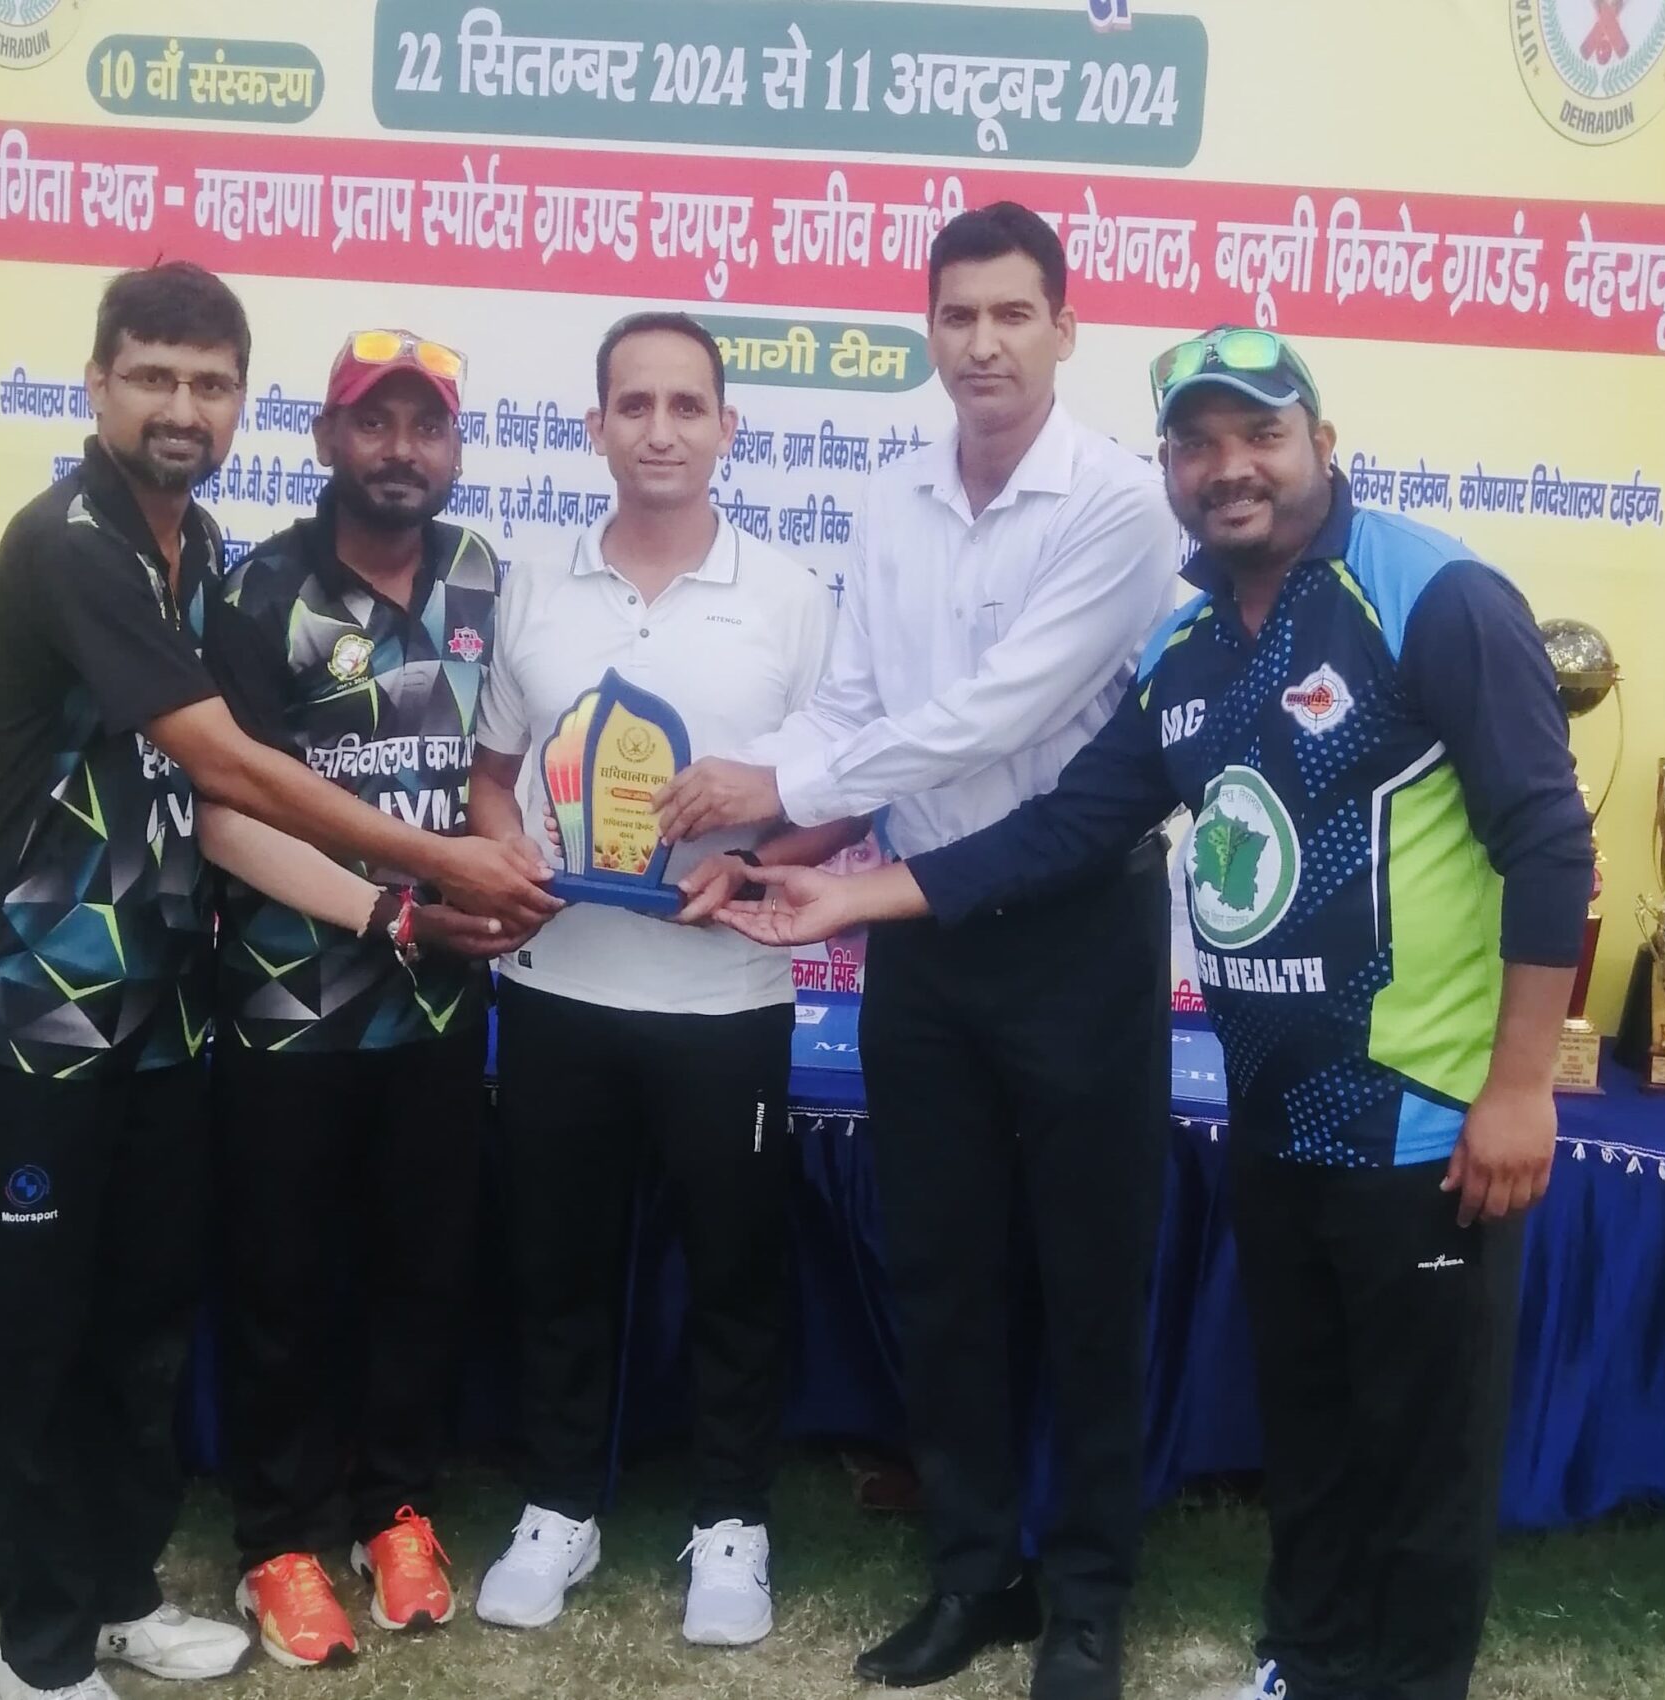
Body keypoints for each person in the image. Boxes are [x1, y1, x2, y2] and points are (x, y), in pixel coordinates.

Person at [717, 327, 1595, 1700]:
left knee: (1423, 1453)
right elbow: (1067, 827)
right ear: (1170, 468)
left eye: (1261, 434)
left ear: (1322, 443)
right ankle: (1303, 1661)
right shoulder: (1187, 645)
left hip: (1424, 1119)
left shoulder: (1432, 594)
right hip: (1276, 1114)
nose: (1229, 466)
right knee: (1310, 1427)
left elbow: (1548, 844)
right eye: (1198, 443)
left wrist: (1520, 1086)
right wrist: (848, 893)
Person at [0, 263, 556, 1700]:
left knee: (143, 1323)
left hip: (162, 1003)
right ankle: (41, 1647)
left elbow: (232, 811)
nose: (181, 407)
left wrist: (426, 889)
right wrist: (433, 869)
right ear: (97, 385)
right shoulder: (70, 543)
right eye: (152, 376)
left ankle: (120, 1592)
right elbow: (224, 766)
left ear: (240, 405)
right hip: (33, 1006)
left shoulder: (195, 548)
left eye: (209, 384)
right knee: (31, 1337)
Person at [653, 203, 1184, 1700]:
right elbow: (859, 712)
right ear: (928, 330)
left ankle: (1090, 1596)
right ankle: (973, 1575)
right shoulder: (890, 500)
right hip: (921, 936)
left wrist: (780, 779)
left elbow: (991, 715)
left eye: (1014, 314)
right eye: (958, 316)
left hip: (1075, 929)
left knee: (1088, 1279)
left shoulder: (1120, 506)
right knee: (943, 1270)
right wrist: (757, 820)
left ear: (1066, 328)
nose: (983, 344)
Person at [464, 311, 855, 1647]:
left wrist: (751, 872)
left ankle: (731, 1520)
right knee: (557, 1262)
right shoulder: (534, 588)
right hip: (558, 988)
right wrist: (503, 850)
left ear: (728, 429)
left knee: (735, 1269)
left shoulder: (791, 600)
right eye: (634, 405)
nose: (661, 429)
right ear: (594, 428)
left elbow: (839, 800)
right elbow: (493, 775)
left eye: (688, 405)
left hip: (722, 1004)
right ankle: (559, 1504)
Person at [198, 330, 520, 1668]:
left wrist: (510, 873)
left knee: (422, 1272)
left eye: (425, 426)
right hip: (289, 1004)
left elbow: (493, 766)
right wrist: (396, 910)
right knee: (281, 1281)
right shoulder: (257, 591)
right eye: (371, 423)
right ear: (326, 439)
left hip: (439, 1009)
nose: (399, 449)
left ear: (453, 447)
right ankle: (278, 1538)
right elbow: (225, 814)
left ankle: (396, 1508)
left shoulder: (480, 572)